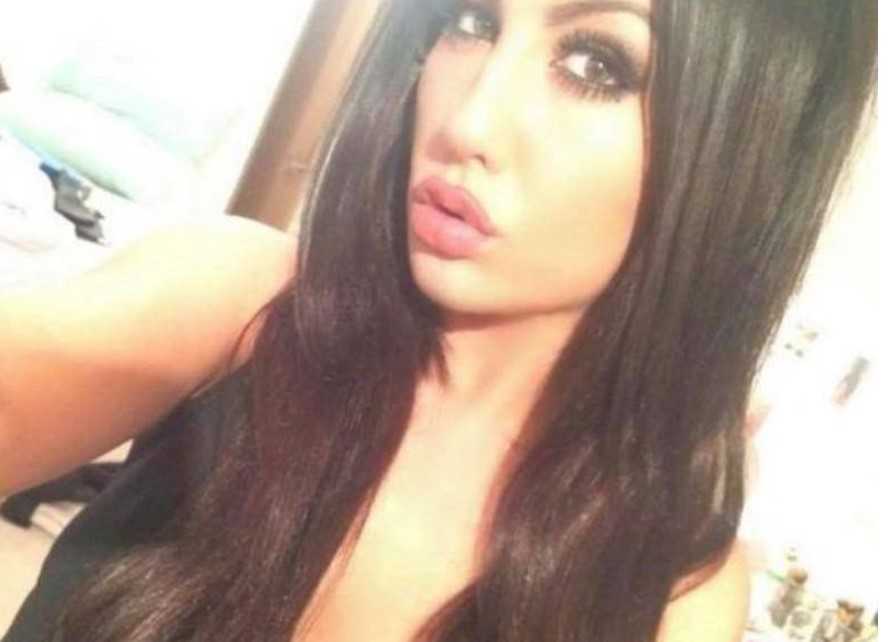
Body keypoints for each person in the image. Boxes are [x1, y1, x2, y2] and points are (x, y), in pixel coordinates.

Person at [0, 0, 877, 641]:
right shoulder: (239, 303)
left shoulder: (673, 587)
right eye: (469, 21)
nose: (468, 119)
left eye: (596, 64)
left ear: (746, 155)